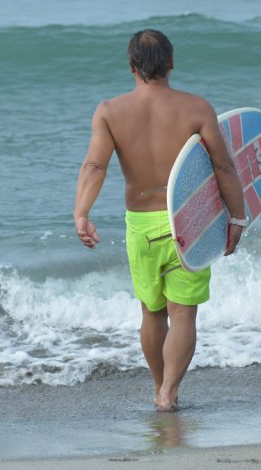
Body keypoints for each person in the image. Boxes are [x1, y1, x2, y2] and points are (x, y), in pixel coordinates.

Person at [73, 29, 248, 412]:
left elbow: (95, 164)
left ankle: (157, 386)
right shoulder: (197, 108)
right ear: (171, 63)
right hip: (190, 224)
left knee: (152, 311)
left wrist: (82, 212)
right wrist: (237, 217)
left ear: (131, 67)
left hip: (141, 224)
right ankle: (170, 391)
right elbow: (223, 166)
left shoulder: (109, 111)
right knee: (183, 313)